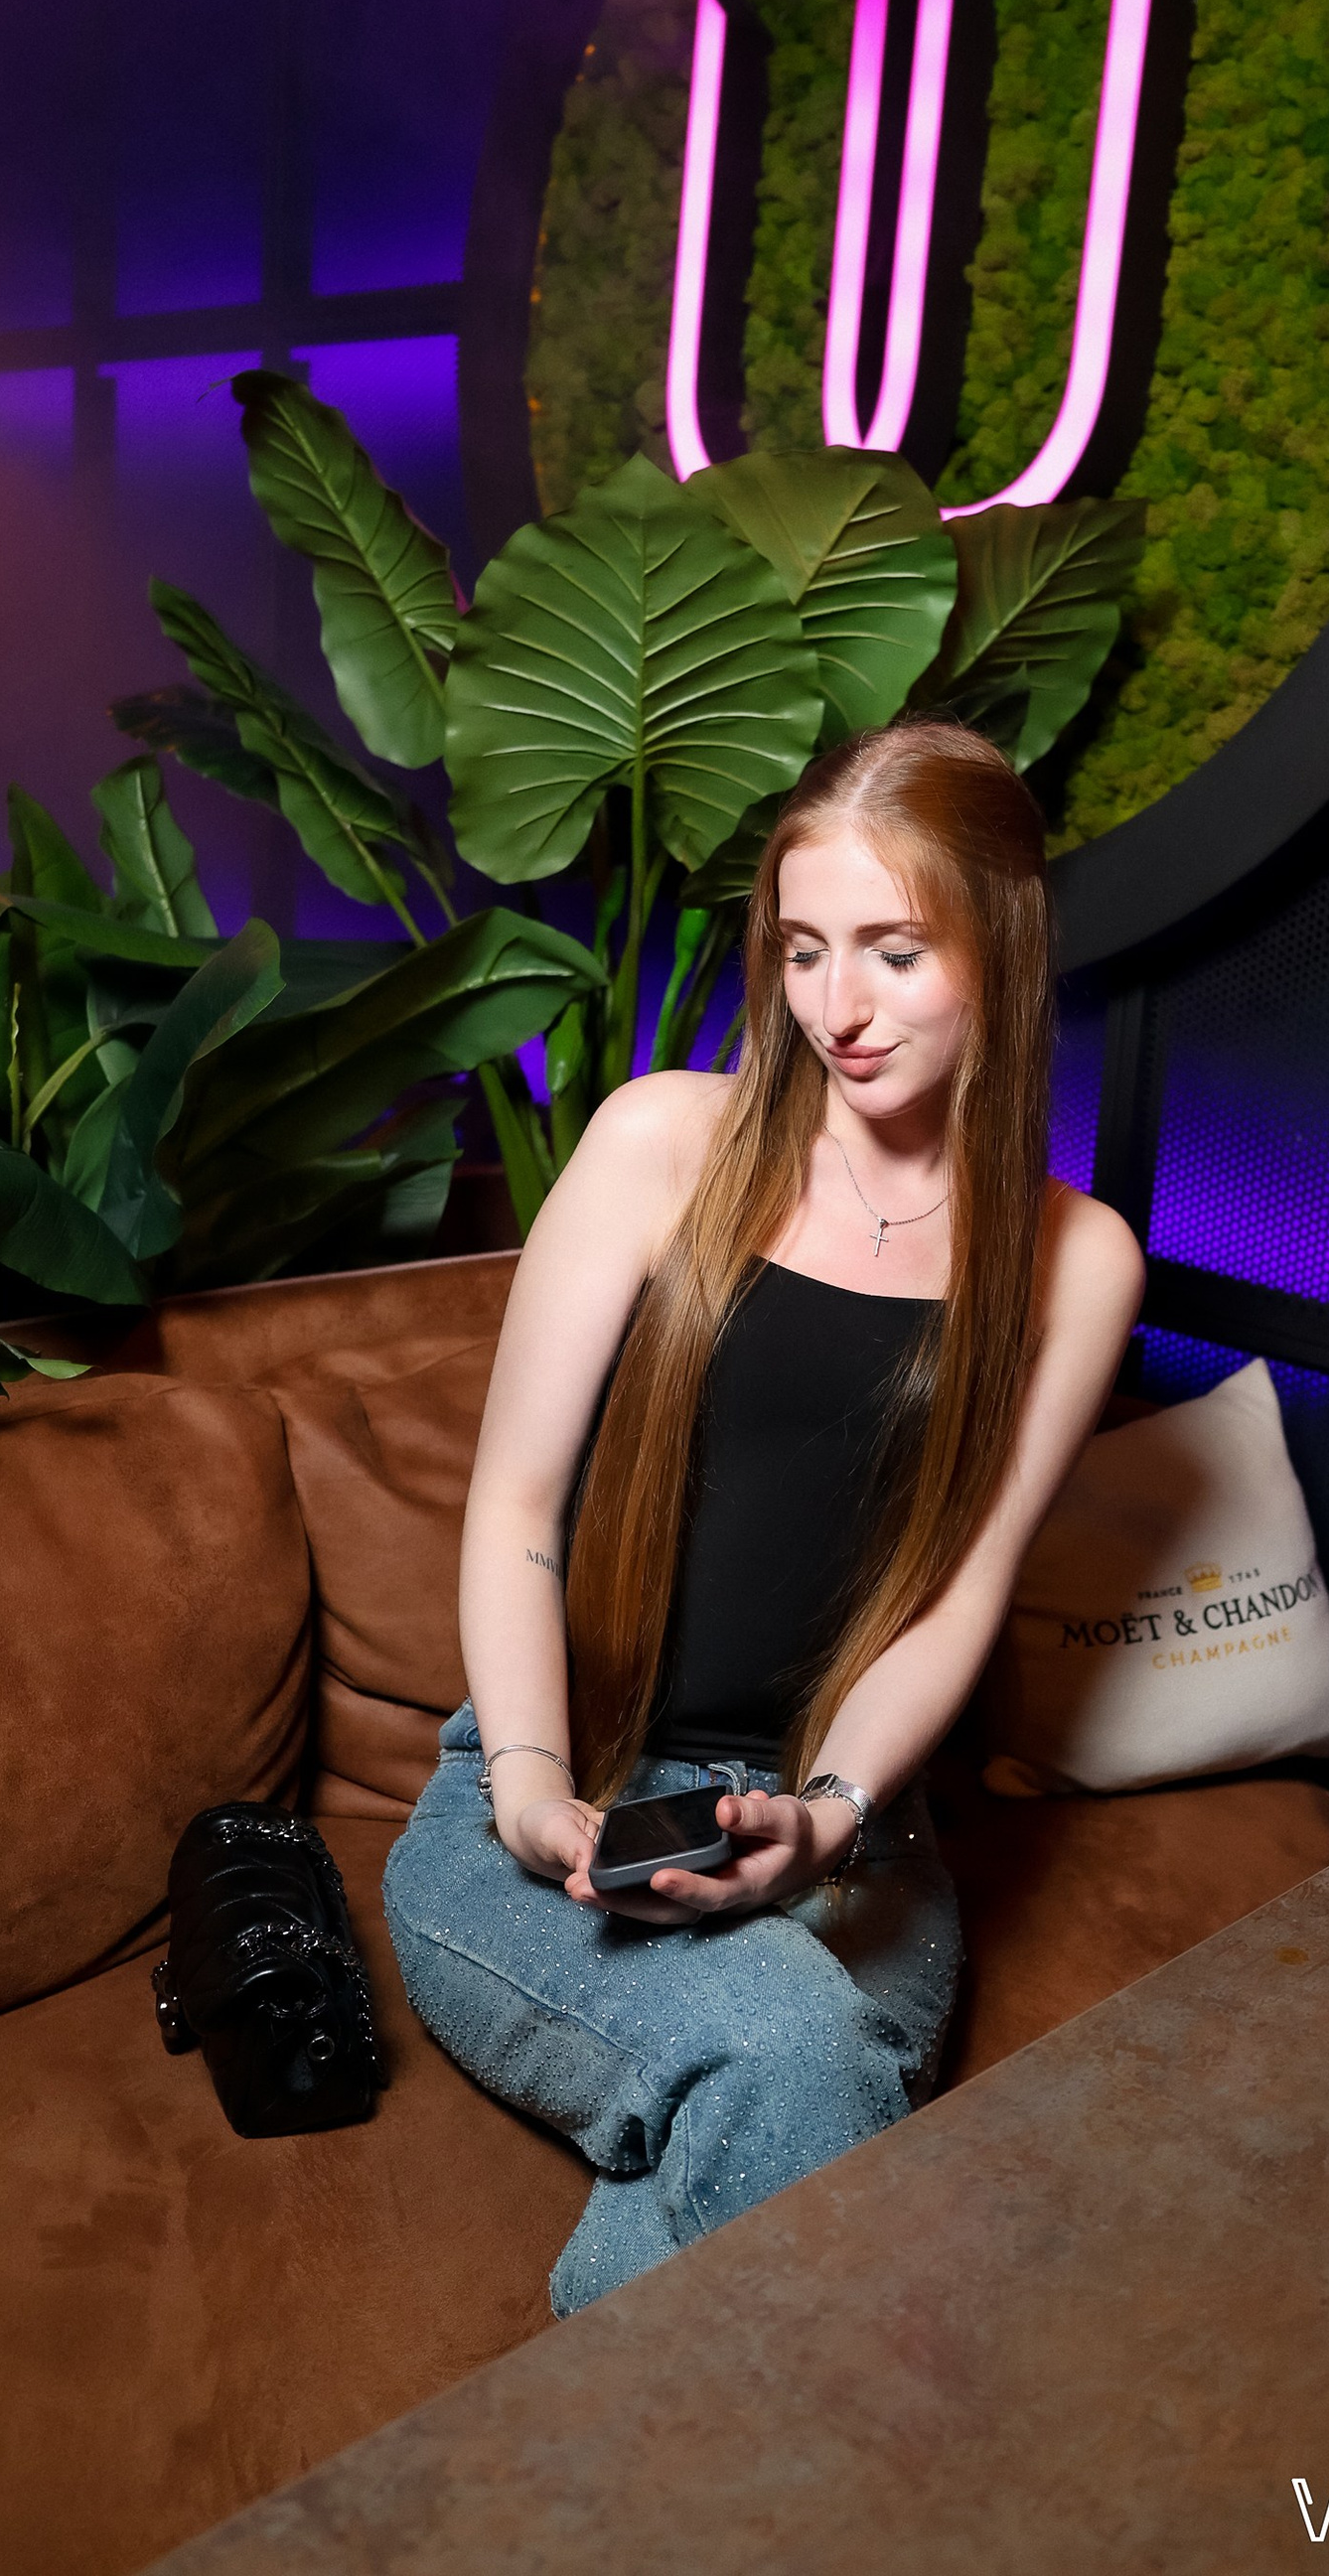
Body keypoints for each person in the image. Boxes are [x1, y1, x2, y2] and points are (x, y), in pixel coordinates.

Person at [383, 719, 1145, 2315]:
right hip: (556, 1801)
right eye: (803, 951)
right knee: (800, 2063)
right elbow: (516, 1502)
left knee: (758, 2133)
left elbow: (957, 1595)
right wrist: (528, 1790)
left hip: (846, 1846)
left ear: (1001, 948)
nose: (835, 1007)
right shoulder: (663, 1142)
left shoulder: (1077, 1262)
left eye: (893, 952)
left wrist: (830, 1817)